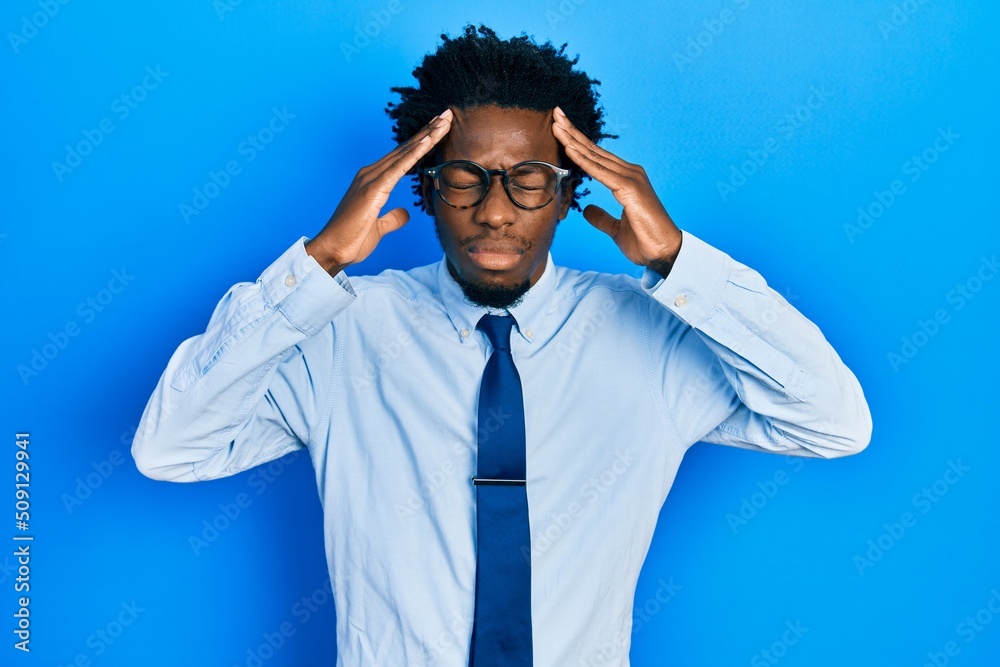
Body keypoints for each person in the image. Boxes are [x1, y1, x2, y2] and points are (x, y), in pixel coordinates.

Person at [132, 24, 871, 666]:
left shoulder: (654, 339)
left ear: (569, 192)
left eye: (528, 179)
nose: (493, 212)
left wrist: (681, 264)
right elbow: (169, 447)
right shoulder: (339, 331)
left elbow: (833, 421)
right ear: (424, 187)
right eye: (464, 178)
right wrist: (316, 265)